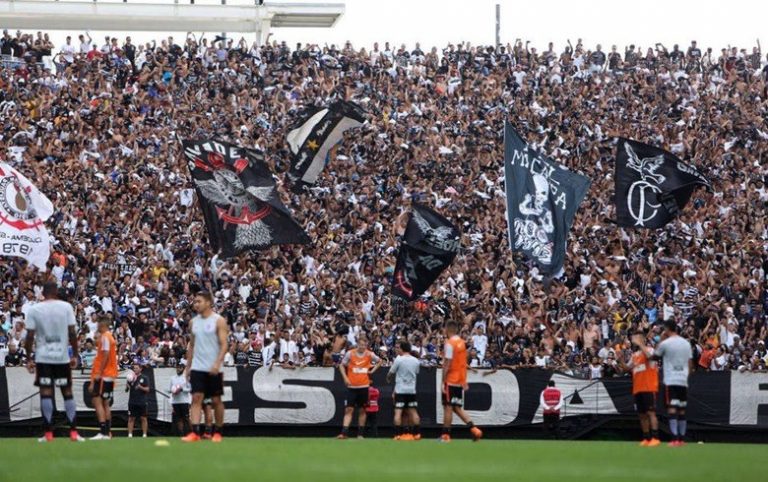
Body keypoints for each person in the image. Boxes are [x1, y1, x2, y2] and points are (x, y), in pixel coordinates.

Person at [23, 281, 84, 442]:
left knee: (46, 393)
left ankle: (48, 433)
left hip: (43, 358)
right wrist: (75, 355)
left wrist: (29, 358)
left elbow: (29, 337)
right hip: (61, 357)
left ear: (43, 293)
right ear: (56, 292)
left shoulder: (35, 309)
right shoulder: (66, 307)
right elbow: (72, 333)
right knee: (67, 392)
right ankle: (73, 432)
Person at [181, 291, 229, 443]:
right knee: (196, 398)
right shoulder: (193, 322)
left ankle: (218, 431)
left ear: (208, 303)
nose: (195, 304)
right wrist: (188, 366)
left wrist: (217, 363)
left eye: (199, 301)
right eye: (195, 301)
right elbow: (191, 346)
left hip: (214, 368)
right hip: (198, 367)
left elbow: (224, 344)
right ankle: (195, 432)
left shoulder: (218, 321)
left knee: (216, 400)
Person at [653, 321, 693, 447]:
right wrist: (686, 376)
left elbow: (655, 356)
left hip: (671, 379)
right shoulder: (686, 343)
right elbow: (690, 363)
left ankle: (675, 438)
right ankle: (681, 439)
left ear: (666, 329)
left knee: (672, 407)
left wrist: (661, 339)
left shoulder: (666, 343)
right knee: (682, 409)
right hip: (683, 379)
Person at [441, 321, 482, 442]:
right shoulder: (461, 343)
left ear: (447, 329)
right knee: (456, 407)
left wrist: (443, 381)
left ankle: (446, 435)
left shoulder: (450, 343)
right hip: (459, 380)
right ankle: (474, 429)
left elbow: (447, 363)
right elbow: (462, 362)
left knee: (448, 407)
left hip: (451, 379)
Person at [617, 332, 660, 447]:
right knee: (642, 414)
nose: (634, 340)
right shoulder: (634, 355)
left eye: (637, 338)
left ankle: (655, 438)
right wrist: (621, 360)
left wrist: (641, 344)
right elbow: (627, 369)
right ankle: (646, 438)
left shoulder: (650, 350)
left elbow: (650, 357)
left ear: (643, 339)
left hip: (649, 386)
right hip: (638, 388)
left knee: (651, 412)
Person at [337, 335, 382, 439]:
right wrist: (345, 378)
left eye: (364, 345)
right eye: (361, 345)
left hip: (364, 386)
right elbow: (341, 365)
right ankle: (344, 433)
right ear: (357, 344)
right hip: (352, 386)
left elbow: (380, 361)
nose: (362, 347)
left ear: (366, 345)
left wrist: (372, 371)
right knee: (349, 409)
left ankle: (360, 434)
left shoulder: (369, 354)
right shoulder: (350, 353)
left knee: (362, 410)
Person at [89, 316, 118, 440]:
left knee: (97, 401)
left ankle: (103, 432)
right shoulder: (109, 336)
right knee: (105, 403)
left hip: (105, 374)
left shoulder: (105, 337)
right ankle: (107, 432)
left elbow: (105, 355)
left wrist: (99, 373)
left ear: (102, 325)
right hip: (110, 374)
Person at [387, 340, 421, 441]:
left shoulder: (399, 360)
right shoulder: (416, 361)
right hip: (411, 390)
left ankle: (397, 435)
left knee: (398, 412)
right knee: (413, 412)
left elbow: (391, 372)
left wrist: (388, 378)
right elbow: (416, 372)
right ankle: (417, 434)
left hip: (400, 390)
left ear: (402, 349)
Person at [126, 363, 150, 438]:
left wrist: (140, 387)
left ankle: (144, 434)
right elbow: (126, 390)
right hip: (132, 401)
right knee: (131, 418)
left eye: (136, 368)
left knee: (143, 418)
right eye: (134, 368)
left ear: (140, 369)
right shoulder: (130, 377)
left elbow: (147, 389)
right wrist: (127, 386)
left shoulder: (144, 378)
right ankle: (130, 434)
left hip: (142, 401)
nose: (135, 369)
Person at [170, 361, 192, 436]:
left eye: (180, 367)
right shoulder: (172, 378)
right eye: (177, 367)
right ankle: (181, 434)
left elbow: (190, 389)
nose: (178, 369)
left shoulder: (186, 378)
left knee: (186, 418)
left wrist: (182, 389)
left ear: (183, 368)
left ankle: (192, 433)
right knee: (178, 419)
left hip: (184, 401)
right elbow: (170, 389)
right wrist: (173, 391)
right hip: (176, 401)